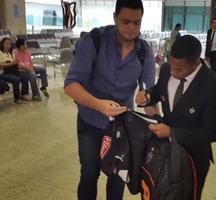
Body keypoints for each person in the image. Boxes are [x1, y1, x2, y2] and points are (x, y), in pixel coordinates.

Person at [64, 0, 155, 199]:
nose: (132, 28)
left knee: (117, 177)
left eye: (137, 23)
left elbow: (149, 91)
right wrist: (99, 105)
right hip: (90, 121)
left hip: (122, 127)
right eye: (126, 21)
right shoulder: (94, 40)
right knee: (89, 174)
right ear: (115, 18)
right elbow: (71, 84)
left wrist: (146, 97)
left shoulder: (144, 51)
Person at [136, 35, 216, 200]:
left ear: (195, 63)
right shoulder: (166, 69)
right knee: (159, 191)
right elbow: (159, 90)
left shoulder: (214, 86)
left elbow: (212, 132)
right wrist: (148, 96)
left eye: (179, 69)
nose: (172, 71)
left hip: (192, 156)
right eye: (170, 64)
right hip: (163, 149)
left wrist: (172, 132)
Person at [0, 37, 29, 103]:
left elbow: (14, 62)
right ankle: (17, 98)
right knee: (16, 79)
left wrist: (16, 63)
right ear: (2, 44)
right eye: (6, 44)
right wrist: (11, 63)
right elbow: (0, 64)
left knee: (25, 76)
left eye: (9, 44)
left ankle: (23, 94)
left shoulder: (11, 53)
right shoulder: (0, 53)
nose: (8, 46)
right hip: (4, 72)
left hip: (13, 70)